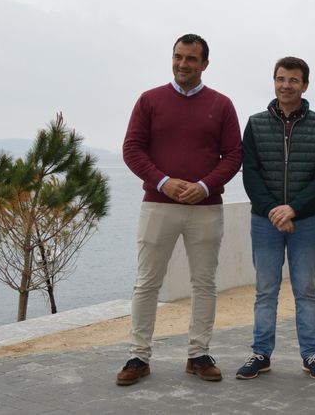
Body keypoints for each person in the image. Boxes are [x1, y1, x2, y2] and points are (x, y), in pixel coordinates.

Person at [117, 33, 243, 385]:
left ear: (204, 64)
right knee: (146, 283)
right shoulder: (149, 100)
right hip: (158, 205)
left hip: (206, 208)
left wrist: (203, 186)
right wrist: (163, 181)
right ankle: (138, 356)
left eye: (191, 59)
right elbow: (132, 149)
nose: (183, 64)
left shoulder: (221, 104)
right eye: (177, 57)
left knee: (204, 283)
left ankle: (198, 354)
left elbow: (234, 154)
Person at [235, 57, 315, 381]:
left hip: (304, 222)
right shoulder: (254, 123)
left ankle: (311, 354)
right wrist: (273, 211)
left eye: (293, 80)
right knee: (266, 290)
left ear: (304, 85)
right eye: (280, 79)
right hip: (265, 223)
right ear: (274, 81)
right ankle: (261, 353)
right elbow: (250, 173)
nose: (286, 85)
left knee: (305, 290)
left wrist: (293, 209)